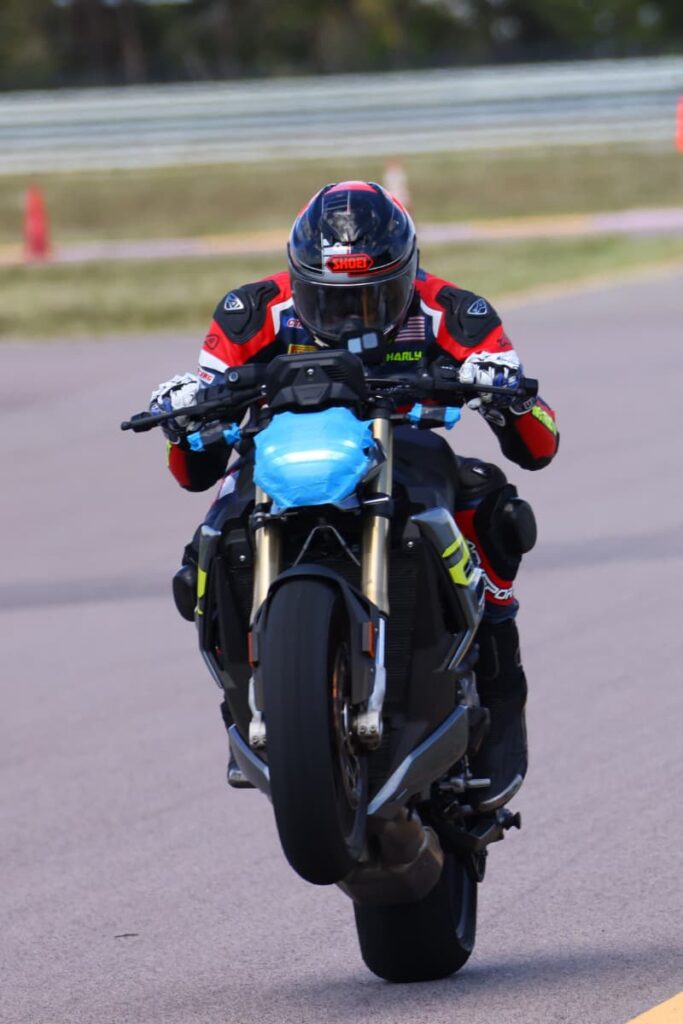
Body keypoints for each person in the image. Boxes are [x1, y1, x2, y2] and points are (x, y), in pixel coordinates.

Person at [149, 180, 559, 812]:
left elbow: (540, 443)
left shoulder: (456, 311)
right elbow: (192, 469)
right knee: (209, 538)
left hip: (403, 447)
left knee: (493, 509)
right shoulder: (250, 312)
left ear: (408, 275)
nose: (351, 320)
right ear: (299, 281)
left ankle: (499, 680)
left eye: (372, 298)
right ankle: (245, 694)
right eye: (332, 301)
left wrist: (509, 396)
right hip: (282, 455)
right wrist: (184, 421)